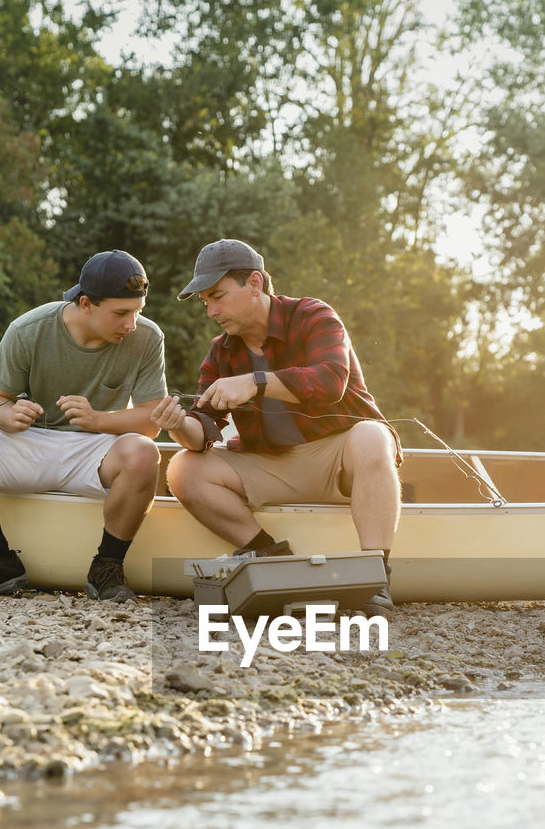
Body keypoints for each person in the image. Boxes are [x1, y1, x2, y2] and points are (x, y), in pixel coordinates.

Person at [151, 239, 401, 612]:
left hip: (337, 457)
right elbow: (202, 429)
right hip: (270, 463)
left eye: (217, 296)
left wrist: (255, 381)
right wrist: (179, 426)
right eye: (206, 301)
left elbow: (331, 381)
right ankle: (269, 560)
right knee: (183, 468)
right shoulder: (221, 351)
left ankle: (373, 579)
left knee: (371, 435)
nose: (211, 311)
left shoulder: (314, 315)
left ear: (254, 283)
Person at [0, 249, 166, 602]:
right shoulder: (28, 329)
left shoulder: (147, 337)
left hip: (97, 448)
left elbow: (151, 421)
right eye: (121, 313)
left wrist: (99, 419)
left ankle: (107, 569)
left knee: (144, 453)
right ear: (86, 304)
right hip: (29, 442)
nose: (131, 324)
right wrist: (9, 415)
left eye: (137, 312)